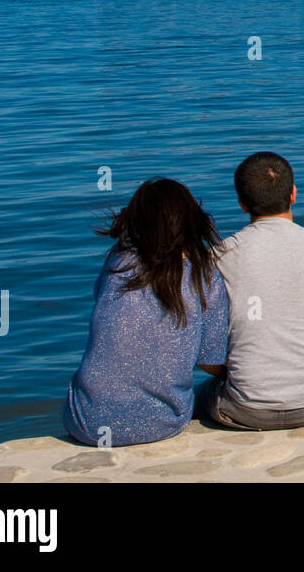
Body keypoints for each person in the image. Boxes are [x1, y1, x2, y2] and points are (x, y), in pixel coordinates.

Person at [200, 152, 304, 431]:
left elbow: (204, 354)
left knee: (200, 393)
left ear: (241, 203)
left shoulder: (218, 258)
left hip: (246, 410)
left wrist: (250, 361)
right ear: (294, 194)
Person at [64, 178, 229, 447]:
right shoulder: (205, 276)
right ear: (191, 221)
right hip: (162, 422)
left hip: (85, 421)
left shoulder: (116, 262)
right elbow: (210, 362)